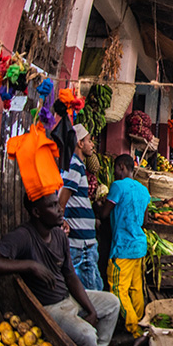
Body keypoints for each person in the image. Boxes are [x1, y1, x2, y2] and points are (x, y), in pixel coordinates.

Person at [0, 191, 126, 346]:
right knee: (86, 334)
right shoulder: (23, 236)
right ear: (37, 212)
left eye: (58, 204)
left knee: (111, 303)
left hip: (68, 298)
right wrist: (29, 265)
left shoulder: (58, 234)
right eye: (53, 206)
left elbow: (71, 276)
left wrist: (90, 309)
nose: (60, 209)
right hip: (49, 309)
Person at [96, 154, 149, 346]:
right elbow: (144, 221)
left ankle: (135, 331)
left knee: (118, 289)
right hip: (139, 245)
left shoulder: (118, 187)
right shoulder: (144, 190)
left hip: (123, 247)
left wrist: (100, 204)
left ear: (120, 167)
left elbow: (105, 213)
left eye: (117, 170)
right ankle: (143, 325)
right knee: (136, 288)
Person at [59, 124, 102, 291]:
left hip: (84, 241)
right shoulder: (74, 165)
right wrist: (61, 221)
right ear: (79, 143)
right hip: (81, 243)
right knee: (91, 290)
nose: (92, 145)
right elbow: (63, 197)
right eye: (89, 140)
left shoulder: (77, 165)